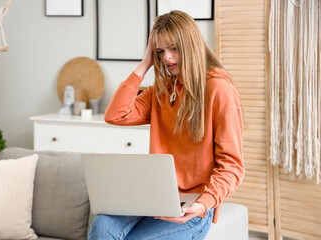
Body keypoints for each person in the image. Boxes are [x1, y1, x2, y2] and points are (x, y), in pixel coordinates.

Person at [88, 10, 244, 240]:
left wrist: (202, 205)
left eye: (174, 48)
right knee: (102, 225)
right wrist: (144, 64)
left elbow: (232, 166)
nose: (167, 58)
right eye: (160, 51)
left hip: (192, 206)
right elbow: (115, 115)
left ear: (190, 45)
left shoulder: (219, 90)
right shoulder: (161, 90)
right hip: (152, 196)